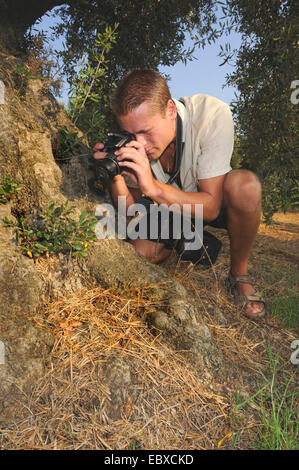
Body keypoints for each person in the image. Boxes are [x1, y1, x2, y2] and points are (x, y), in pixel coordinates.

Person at [93, 69, 265, 320]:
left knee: (245, 186)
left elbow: (212, 207)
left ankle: (239, 274)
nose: (139, 143)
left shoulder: (211, 114)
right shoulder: (131, 142)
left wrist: (152, 187)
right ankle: (176, 242)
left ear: (171, 110)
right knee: (139, 253)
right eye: (132, 134)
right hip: (169, 209)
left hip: (209, 203)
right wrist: (115, 175)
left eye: (147, 131)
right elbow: (131, 215)